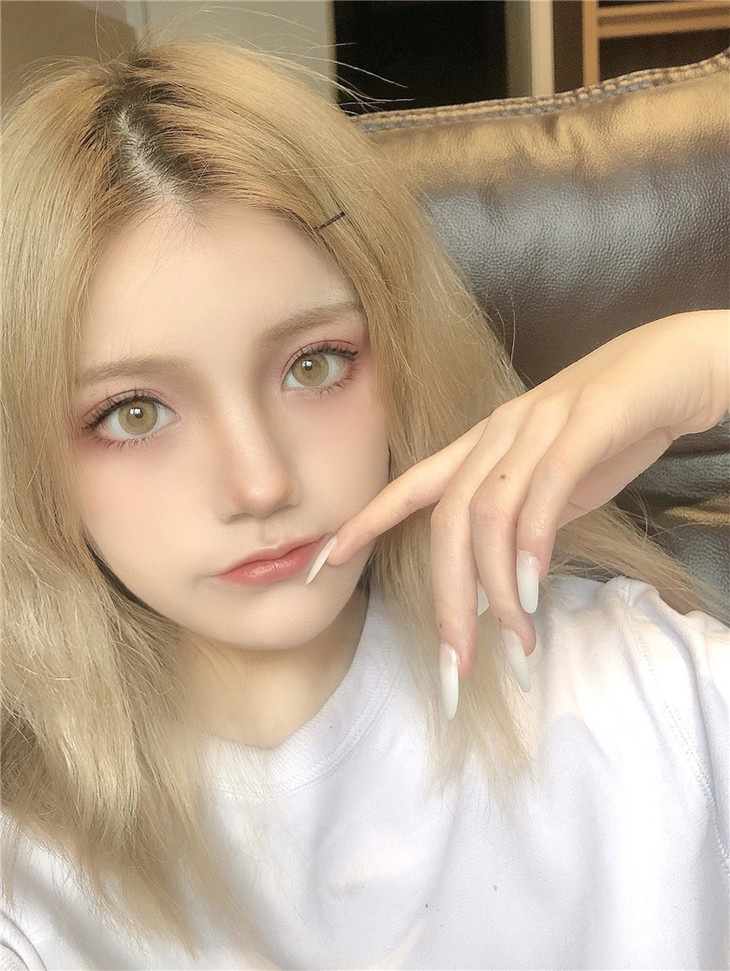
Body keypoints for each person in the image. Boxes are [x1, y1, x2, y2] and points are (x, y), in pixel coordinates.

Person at [1, 38, 727, 970]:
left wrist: (706, 359)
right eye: (133, 413)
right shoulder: (32, 887)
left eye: (314, 365)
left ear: (400, 354)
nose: (260, 484)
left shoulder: (643, 694)